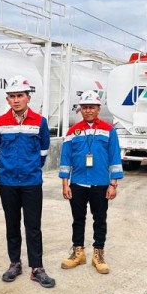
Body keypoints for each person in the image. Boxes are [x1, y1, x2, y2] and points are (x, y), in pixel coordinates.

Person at [0, 75, 55, 288]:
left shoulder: (39, 122)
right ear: (7, 99)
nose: (16, 100)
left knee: (33, 225)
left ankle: (37, 268)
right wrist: (8, 167)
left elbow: (44, 150)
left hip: (31, 181)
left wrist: (32, 167)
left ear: (28, 98)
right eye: (12, 96)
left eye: (20, 96)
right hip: (7, 181)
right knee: (12, 224)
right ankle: (15, 263)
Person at [58, 90, 123, 274]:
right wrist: (65, 184)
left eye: (91, 107)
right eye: (84, 107)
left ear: (98, 108)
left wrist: (113, 184)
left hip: (101, 183)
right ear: (80, 109)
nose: (88, 111)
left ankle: (98, 254)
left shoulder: (109, 131)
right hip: (77, 183)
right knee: (77, 219)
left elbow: (114, 157)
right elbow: (66, 158)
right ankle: (78, 253)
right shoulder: (72, 132)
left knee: (100, 220)